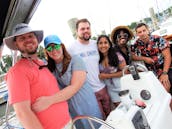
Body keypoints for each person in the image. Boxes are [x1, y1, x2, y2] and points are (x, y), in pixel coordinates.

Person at [3, 23, 71, 129]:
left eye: (30, 36)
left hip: (67, 122)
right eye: (22, 38)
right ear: (16, 44)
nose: (28, 40)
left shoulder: (42, 63)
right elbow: (23, 113)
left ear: (36, 39)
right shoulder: (16, 72)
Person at [32, 34, 103, 129]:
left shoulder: (76, 60)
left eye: (56, 46)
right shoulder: (50, 69)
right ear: (47, 52)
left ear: (62, 46)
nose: (53, 51)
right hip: (72, 108)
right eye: (49, 49)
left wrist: (48, 101)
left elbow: (75, 86)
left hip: (87, 104)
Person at [68, 18, 111, 119]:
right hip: (89, 92)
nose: (86, 30)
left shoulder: (96, 44)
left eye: (88, 28)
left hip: (103, 87)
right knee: (101, 120)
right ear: (76, 31)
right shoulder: (71, 49)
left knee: (112, 115)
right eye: (82, 29)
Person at [130, 22, 172, 95]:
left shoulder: (158, 39)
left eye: (144, 30)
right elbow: (132, 56)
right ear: (137, 34)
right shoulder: (136, 44)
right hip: (150, 72)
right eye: (139, 32)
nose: (142, 33)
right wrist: (144, 58)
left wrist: (164, 73)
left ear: (148, 30)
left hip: (165, 68)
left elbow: (168, 56)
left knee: (165, 89)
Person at [97, 35, 127, 108]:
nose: (103, 45)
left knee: (130, 106)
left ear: (109, 45)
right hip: (111, 90)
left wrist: (106, 76)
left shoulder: (116, 55)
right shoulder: (97, 58)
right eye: (100, 43)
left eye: (105, 42)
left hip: (122, 86)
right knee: (121, 110)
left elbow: (125, 71)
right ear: (97, 45)